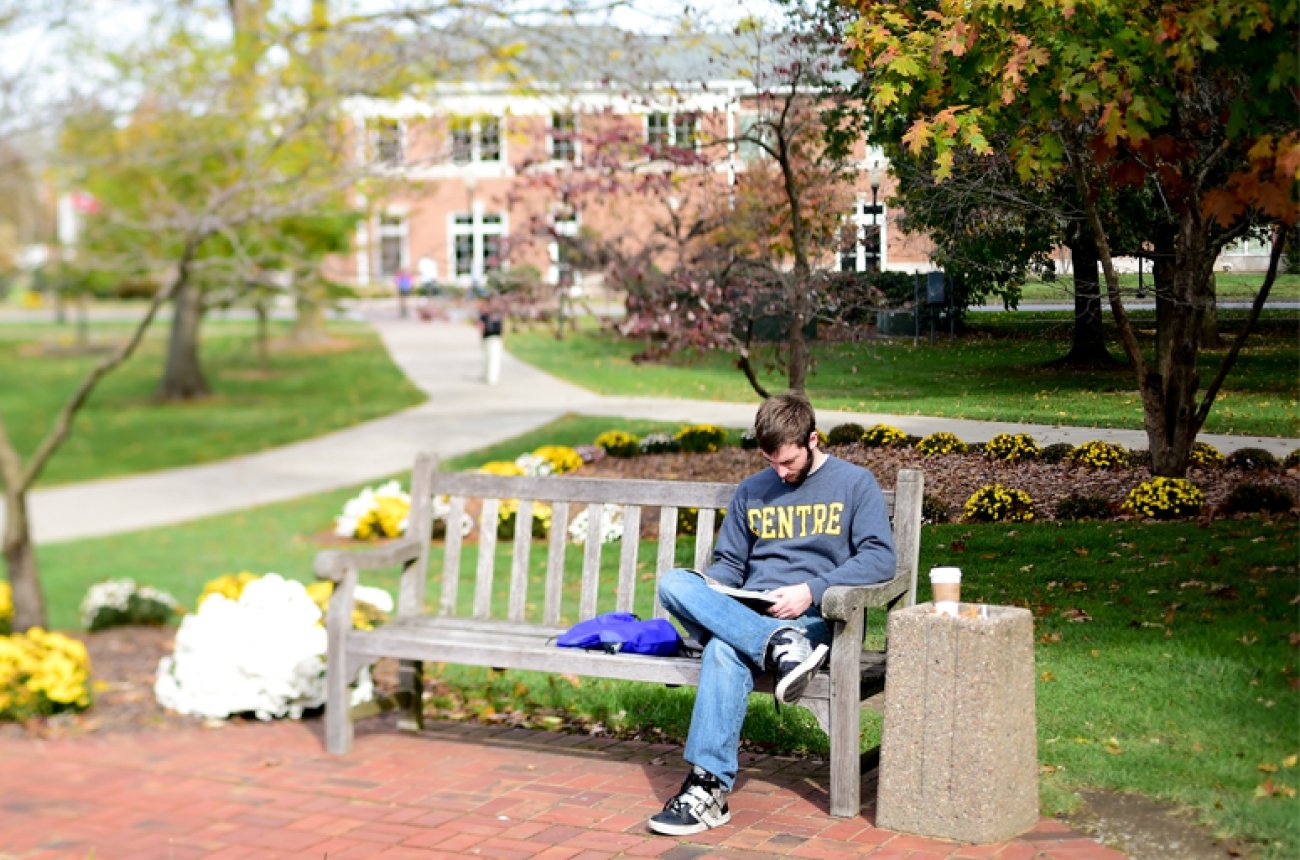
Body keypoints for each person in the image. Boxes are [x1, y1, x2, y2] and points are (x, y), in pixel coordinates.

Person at [648, 391, 896, 836]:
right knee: (674, 583)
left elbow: (880, 558)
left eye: (788, 462)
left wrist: (811, 591)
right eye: (771, 462)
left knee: (723, 649)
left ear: (813, 439)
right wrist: (722, 589)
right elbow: (729, 562)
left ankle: (706, 790)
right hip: (755, 614)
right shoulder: (752, 491)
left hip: (814, 622)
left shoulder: (855, 484)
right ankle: (776, 645)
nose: (780, 473)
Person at [478, 297, 504, 385]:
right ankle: (489, 377)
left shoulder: (495, 314)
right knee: (491, 358)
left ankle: (491, 377)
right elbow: (481, 327)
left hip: (494, 339)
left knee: (492, 358)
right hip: (490, 338)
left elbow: (503, 327)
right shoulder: (487, 315)